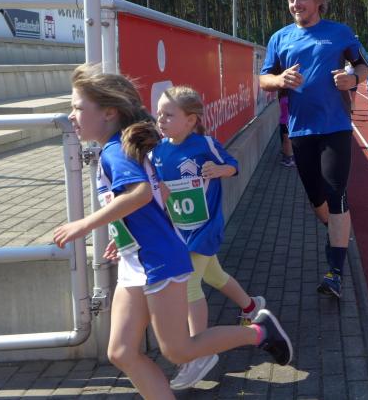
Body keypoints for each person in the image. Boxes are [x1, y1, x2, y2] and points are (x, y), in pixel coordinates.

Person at [55, 65, 292, 398]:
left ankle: (259, 332)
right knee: (121, 351)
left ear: (109, 112)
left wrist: (83, 224)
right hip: (137, 260)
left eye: (78, 107)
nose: (71, 115)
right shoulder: (124, 148)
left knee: (178, 350)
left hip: (159, 261)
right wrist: (124, 235)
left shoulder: (114, 152)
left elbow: (140, 194)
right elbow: (160, 194)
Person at [259, 0, 368, 299]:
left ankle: (335, 271)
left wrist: (353, 79)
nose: (296, 4)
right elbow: (263, 79)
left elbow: (364, 65)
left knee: (337, 194)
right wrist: (279, 80)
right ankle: (336, 231)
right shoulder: (280, 38)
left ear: (319, 0)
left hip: (335, 126)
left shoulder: (339, 32)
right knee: (317, 200)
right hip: (300, 130)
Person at [151, 86, 269, 389]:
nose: (161, 119)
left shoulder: (204, 144)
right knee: (215, 276)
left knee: (190, 285)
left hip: (205, 229)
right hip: (179, 231)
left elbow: (233, 166)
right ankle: (251, 307)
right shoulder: (157, 151)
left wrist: (219, 169)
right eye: (159, 113)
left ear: (191, 120)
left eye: (168, 115)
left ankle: (198, 353)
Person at [278, 94, 295, 166]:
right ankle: (288, 157)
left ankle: (289, 159)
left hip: (284, 122)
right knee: (287, 141)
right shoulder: (290, 98)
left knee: (286, 141)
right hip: (287, 122)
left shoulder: (283, 99)